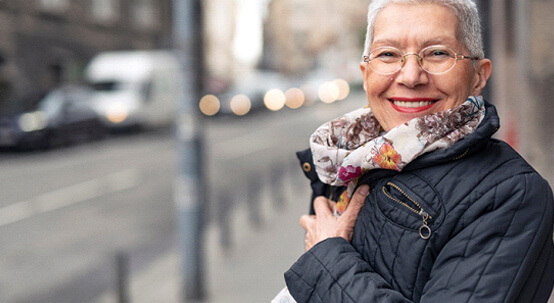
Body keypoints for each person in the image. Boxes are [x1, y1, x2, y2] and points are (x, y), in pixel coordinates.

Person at [283, 0, 554, 302]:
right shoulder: (346, 159)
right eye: (388, 54)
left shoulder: (511, 194)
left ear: (479, 76)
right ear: (366, 72)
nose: (411, 76)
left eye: (438, 53)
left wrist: (326, 259)